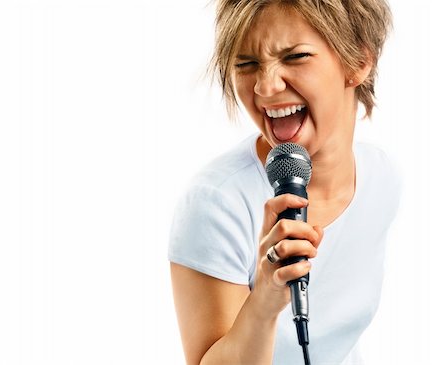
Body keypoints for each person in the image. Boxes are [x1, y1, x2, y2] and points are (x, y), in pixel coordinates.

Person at [168, 0, 400, 364]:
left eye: (294, 57)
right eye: (246, 64)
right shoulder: (216, 203)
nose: (265, 86)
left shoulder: (381, 177)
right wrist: (265, 301)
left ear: (358, 61)